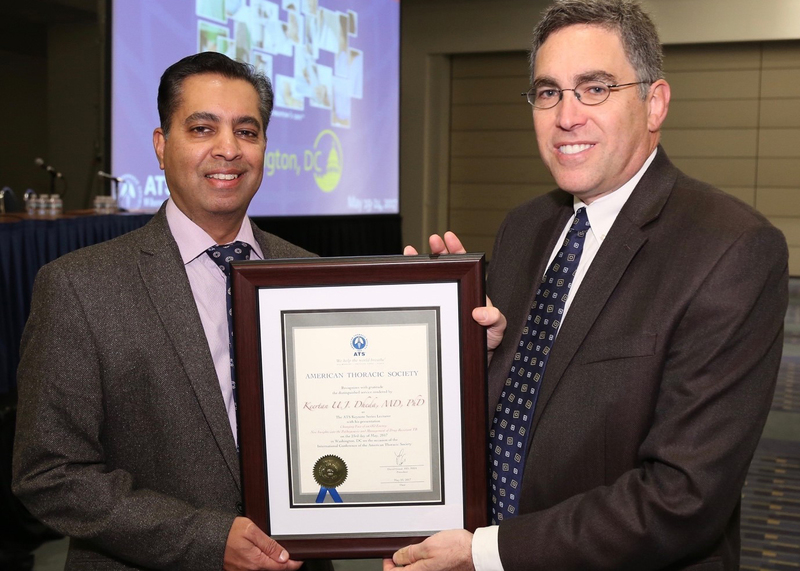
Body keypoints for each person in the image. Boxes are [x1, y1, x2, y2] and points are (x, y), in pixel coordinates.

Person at [392, 1, 789, 570]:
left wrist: (485, 551)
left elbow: (682, 496)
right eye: (548, 92)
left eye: (595, 88)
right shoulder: (525, 227)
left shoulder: (731, 249)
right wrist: (465, 355)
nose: (566, 115)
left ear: (654, 104)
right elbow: (525, 408)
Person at [12, 52, 324, 571]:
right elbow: (50, 473)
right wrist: (204, 539)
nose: (229, 149)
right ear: (162, 146)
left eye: (247, 132)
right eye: (203, 128)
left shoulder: (312, 274)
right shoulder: (78, 286)